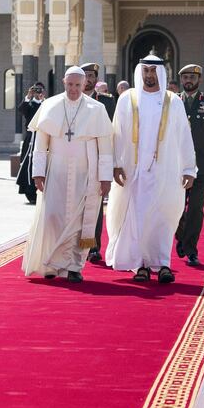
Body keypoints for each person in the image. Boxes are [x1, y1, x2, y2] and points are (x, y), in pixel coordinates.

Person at [105, 54, 197, 284]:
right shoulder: (127, 99)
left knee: (164, 216)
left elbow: (185, 137)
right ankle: (141, 265)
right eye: (145, 71)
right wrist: (115, 164)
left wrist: (189, 169)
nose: (149, 75)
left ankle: (163, 263)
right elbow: (117, 134)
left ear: (161, 73)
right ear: (140, 73)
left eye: (153, 71)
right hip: (134, 172)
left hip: (166, 171)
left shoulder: (172, 101)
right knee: (137, 217)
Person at [22, 66, 113, 283]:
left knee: (80, 220)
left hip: (86, 171)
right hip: (56, 170)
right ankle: (52, 263)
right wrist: (38, 173)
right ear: (64, 82)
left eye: (78, 85)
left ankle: (74, 266)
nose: (73, 89)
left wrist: (105, 177)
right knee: (52, 215)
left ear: (84, 85)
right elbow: (40, 144)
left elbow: (106, 147)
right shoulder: (50, 105)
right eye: (70, 84)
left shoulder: (97, 109)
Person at [174, 64, 204, 266]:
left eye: (192, 77)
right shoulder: (174, 101)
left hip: (201, 165)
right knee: (176, 208)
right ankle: (182, 237)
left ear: (199, 80)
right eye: (185, 77)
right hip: (176, 165)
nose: (188, 80)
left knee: (195, 208)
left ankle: (191, 249)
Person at [81, 62, 116, 262]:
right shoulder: (71, 99)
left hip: (98, 158)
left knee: (95, 204)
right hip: (76, 158)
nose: (88, 79)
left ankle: (92, 247)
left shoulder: (106, 102)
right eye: (85, 75)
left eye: (92, 75)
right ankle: (75, 244)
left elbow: (113, 132)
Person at [16, 82, 45, 204]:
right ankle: (28, 191)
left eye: (40, 90)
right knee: (27, 164)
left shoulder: (46, 104)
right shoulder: (30, 104)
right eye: (36, 90)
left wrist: (42, 100)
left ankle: (41, 190)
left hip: (43, 138)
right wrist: (28, 96)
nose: (38, 92)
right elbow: (21, 110)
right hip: (30, 138)